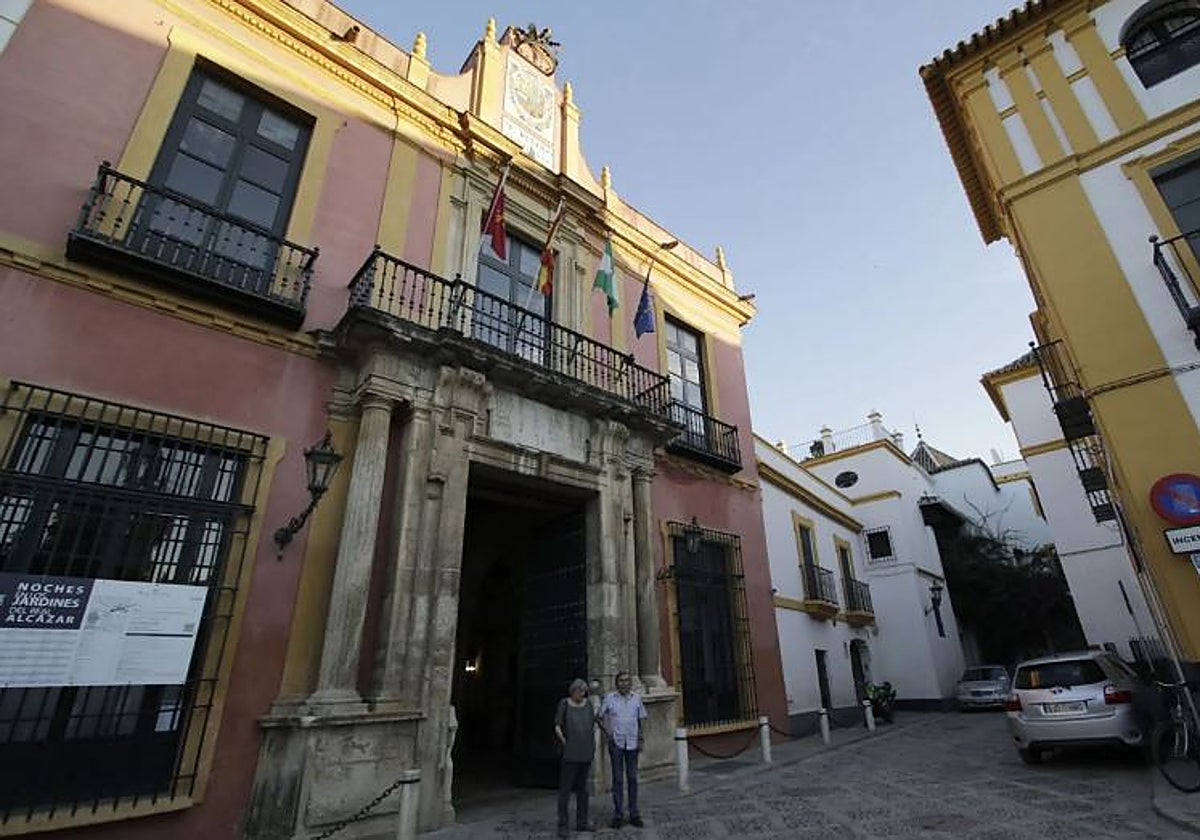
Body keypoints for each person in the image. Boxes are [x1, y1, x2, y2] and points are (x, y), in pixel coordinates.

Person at [598, 671, 647, 829]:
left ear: (630, 683)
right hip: (617, 743)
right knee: (618, 780)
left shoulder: (636, 698)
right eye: (621, 681)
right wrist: (609, 733)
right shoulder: (609, 698)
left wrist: (641, 738)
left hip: (632, 742)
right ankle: (618, 814)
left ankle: (634, 813)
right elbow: (599, 717)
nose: (624, 683)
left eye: (627, 681)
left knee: (632, 778)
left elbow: (641, 719)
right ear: (616, 683)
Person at [554, 678, 596, 837]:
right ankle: (563, 824)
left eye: (584, 691)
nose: (582, 694)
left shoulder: (588, 704)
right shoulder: (564, 704)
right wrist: (564, 740)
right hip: (570, 752)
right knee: (565, 789)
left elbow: (592, 723)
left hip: (585, 751)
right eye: (579, 691)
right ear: (573, 691)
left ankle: (582, 821)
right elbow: (557, 724)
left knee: (583, 790)